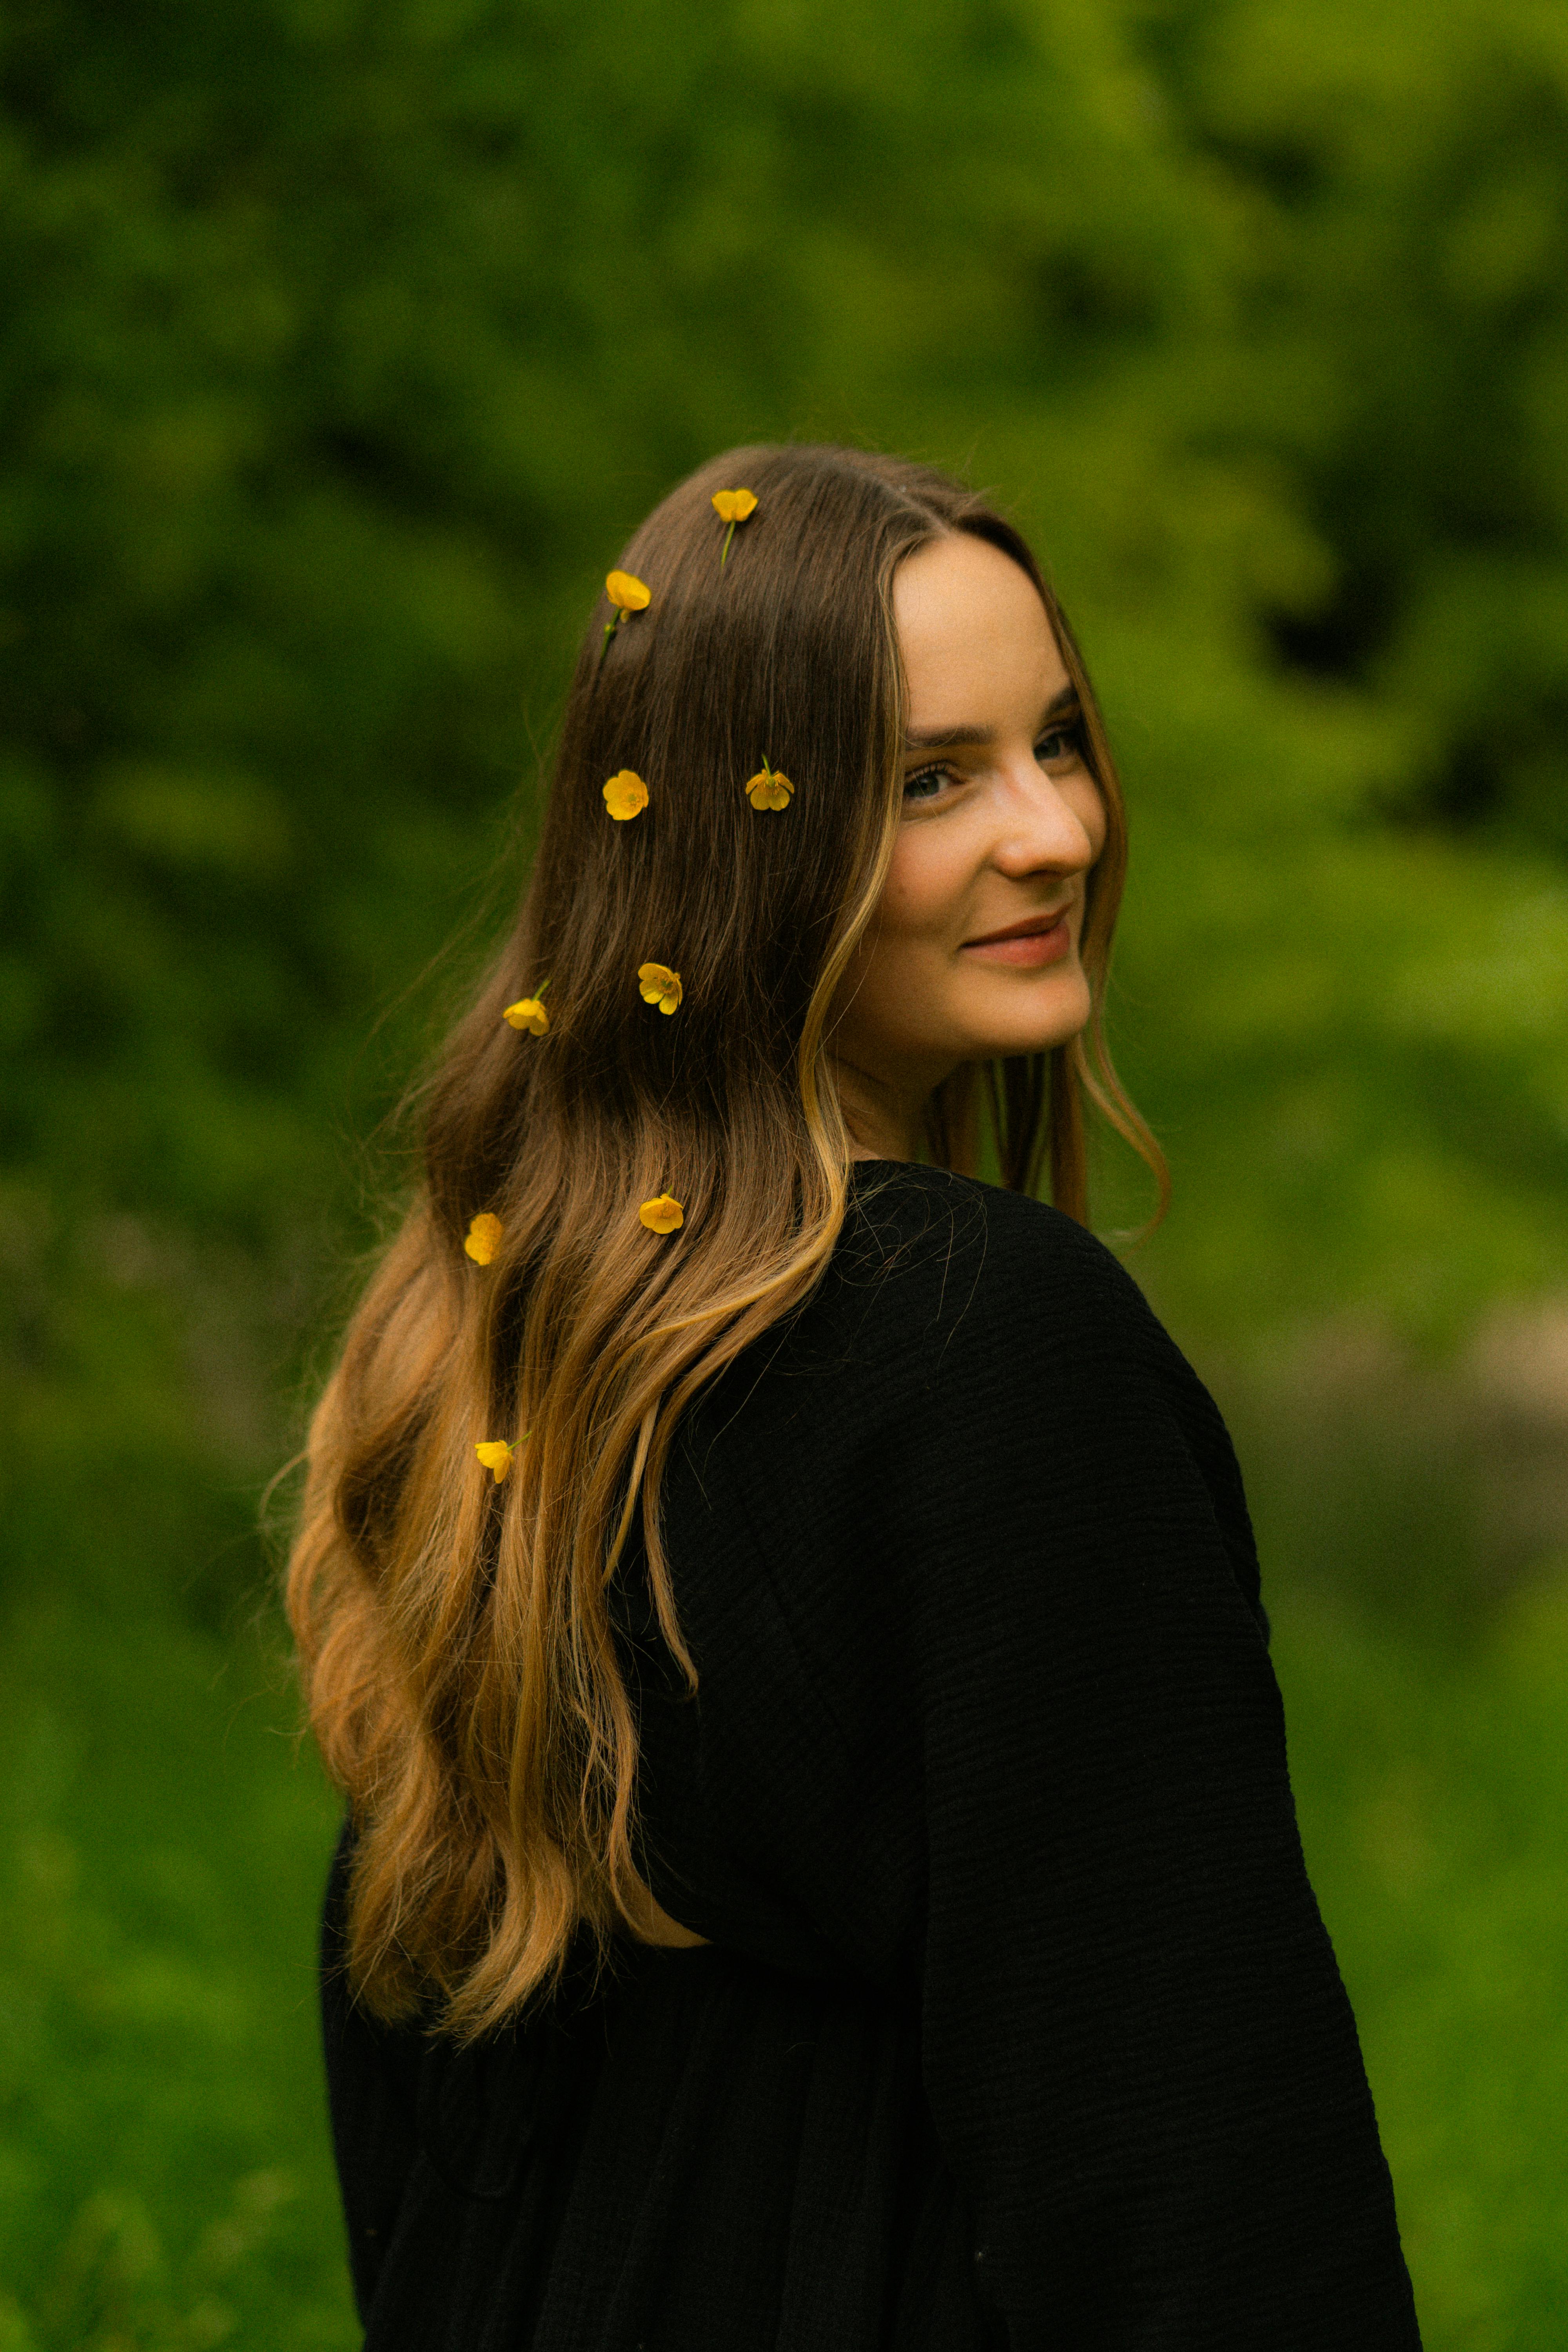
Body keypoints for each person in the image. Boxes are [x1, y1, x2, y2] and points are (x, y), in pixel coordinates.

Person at [287, 444, 1423, 2348]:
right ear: (740, 855)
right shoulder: (985, 1345)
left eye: (1056, 742)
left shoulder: (496, 1356)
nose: (1055, 831)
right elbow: (1186, 2155)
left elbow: (407, 2137)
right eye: (929, 781)